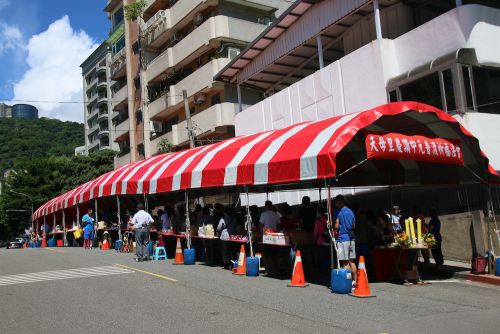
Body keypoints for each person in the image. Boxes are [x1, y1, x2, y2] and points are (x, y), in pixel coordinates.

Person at [333, 195, 357, 284]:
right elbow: (354, 226)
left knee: (345, 262)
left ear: (340, 202)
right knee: (352, 261)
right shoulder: (351, 211)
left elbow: (336, 225)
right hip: (352, 238)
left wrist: (336, 226)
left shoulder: (338, 212)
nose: (335, 205)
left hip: (343, 238)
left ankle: (348, 282)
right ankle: (355, 281)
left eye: (336, 202)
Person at [313, 205, 331, 282]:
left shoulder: (318, 221)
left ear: (319, 213)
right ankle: (330, 275)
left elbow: (315, 233)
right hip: (329, 243)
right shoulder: (328, 220)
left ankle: (325, 277)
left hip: (321, 243)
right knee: (329, 261)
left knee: (323, 261)